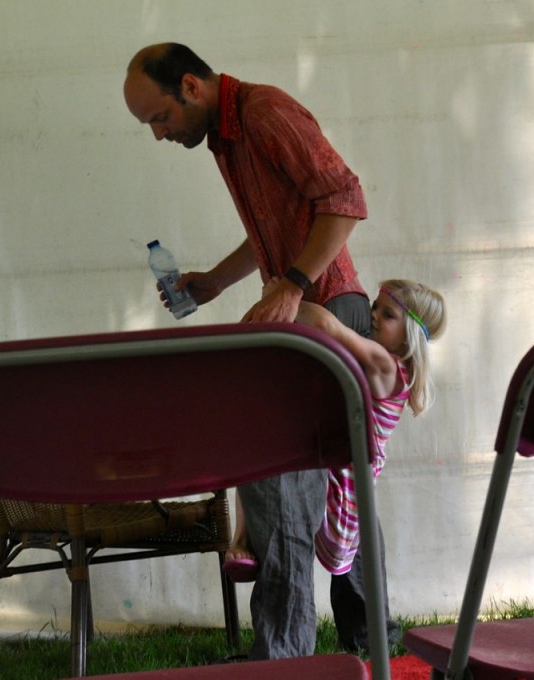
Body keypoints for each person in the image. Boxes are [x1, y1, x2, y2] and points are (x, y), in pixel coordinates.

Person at [123, 43, 386, 658]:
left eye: (159, 117)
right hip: (312, 312)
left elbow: (345, 200)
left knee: (282, 488)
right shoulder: (226, 136)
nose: (159, 135)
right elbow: (277, 225)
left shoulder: (264, 114)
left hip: (327, 313)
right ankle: (367, 640)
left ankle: (286, 658)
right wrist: (215, 283)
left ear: (191, 87)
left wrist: (291, 286)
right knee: (337, 488)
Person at [226, 279, 446, 583]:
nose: (373, 315)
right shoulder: (385, 363)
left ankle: (245, 540)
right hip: (342, 459)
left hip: (346, 477)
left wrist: (281, 297)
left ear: (410, 336)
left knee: (260, 451)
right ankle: (242, 539)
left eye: (388, 315)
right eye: (375, 306)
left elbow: (326, 325)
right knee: (256, 447)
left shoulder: (386, 365)